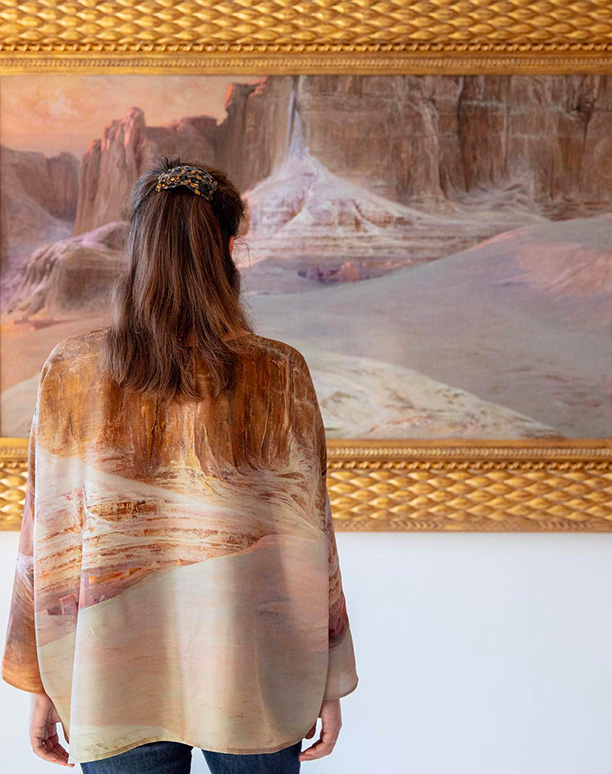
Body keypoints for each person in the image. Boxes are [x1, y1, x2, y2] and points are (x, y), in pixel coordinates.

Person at [1, 156, 359, 773]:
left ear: (137, 250)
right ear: (227, 250)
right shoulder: (279, 373)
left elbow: (45, 541)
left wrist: (41, 683)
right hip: (252, 677)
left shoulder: (70, 371)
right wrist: (328, 679)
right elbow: (312, 541)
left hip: (109, 681)